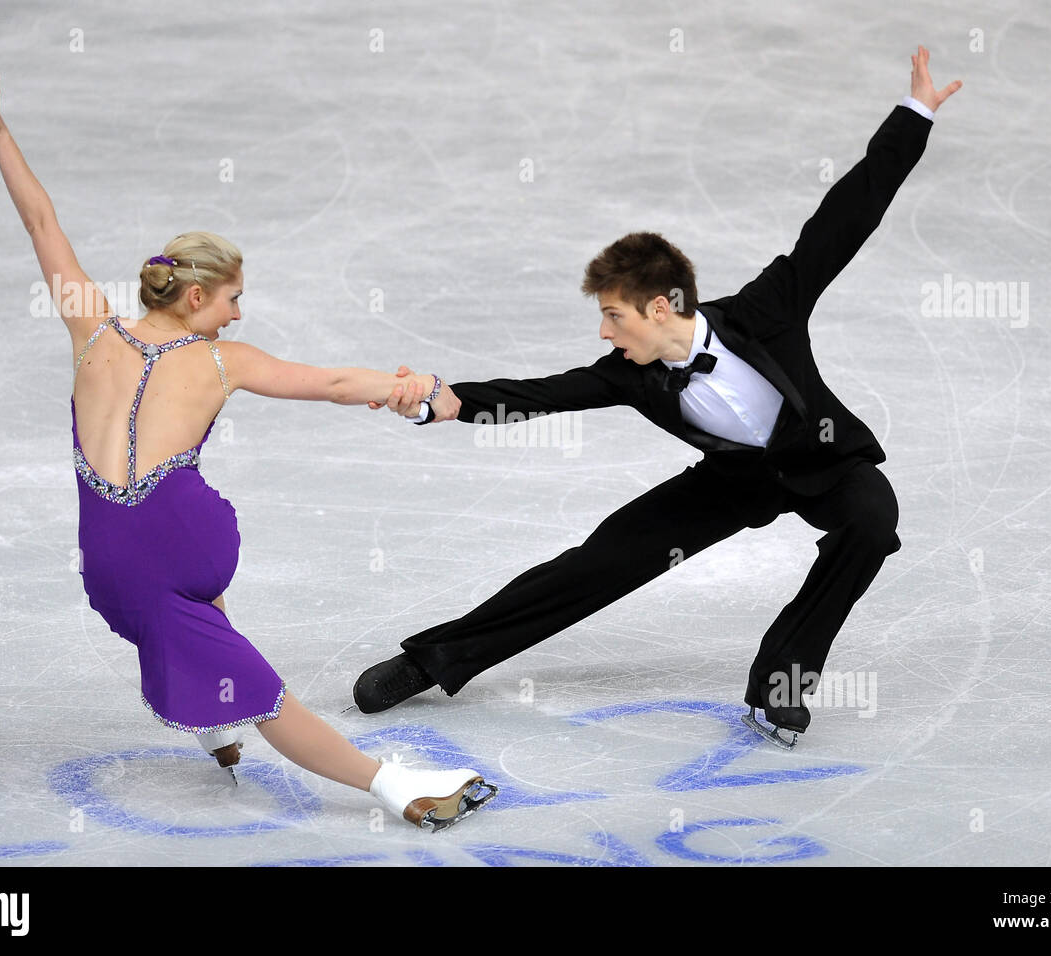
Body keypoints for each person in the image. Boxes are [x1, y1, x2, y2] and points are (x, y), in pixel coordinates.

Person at [355, 47, 962, 749]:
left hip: (821, 458)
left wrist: (914, 116)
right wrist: (444, 401)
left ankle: (782, 682)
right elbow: (537, 397)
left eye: (615, 315)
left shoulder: (769, 309)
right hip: (731, 482)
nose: (604, 330)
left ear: (664, 306)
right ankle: (434, 660)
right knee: (597, 564)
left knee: (870, 518)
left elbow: (848, 215)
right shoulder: (629, 372)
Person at [0, 71, 495, 829]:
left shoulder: (92, 334)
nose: (239, 314)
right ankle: (395, 788)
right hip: (172, 557)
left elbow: (43, 226)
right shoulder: (217, 361)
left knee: (193, 628)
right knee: (269, 698)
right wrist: (410, 388)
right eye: (233, 298)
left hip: (108, 567)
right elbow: (334, 382)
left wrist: (0, 136)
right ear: (197, 298)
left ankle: (210, 720)